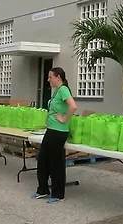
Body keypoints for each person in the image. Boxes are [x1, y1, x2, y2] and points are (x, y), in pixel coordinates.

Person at [33, 67, 78, 204]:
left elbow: (73, 106)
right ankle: (43, 190)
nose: (48, 80)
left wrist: (64, 119)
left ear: (58, 77)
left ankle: (58, 194)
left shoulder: (63, 89)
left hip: (58, 132)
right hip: (51, 130)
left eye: (50, 77)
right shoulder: (57, 91)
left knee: (56, 163)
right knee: (43, 160)